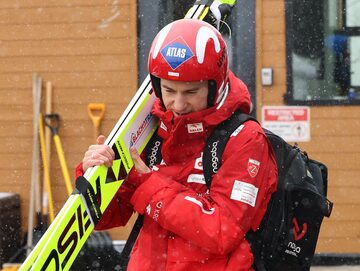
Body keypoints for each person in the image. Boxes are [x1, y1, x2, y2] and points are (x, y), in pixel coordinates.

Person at [76, 18, 277, 271]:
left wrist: (148, 185)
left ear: (216, 85)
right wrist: (95, 173)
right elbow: (108, 217)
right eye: (169, 90)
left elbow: (222, 231)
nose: (179, 105)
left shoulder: (245, 139)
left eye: (191, 92)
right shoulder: (151, 129)